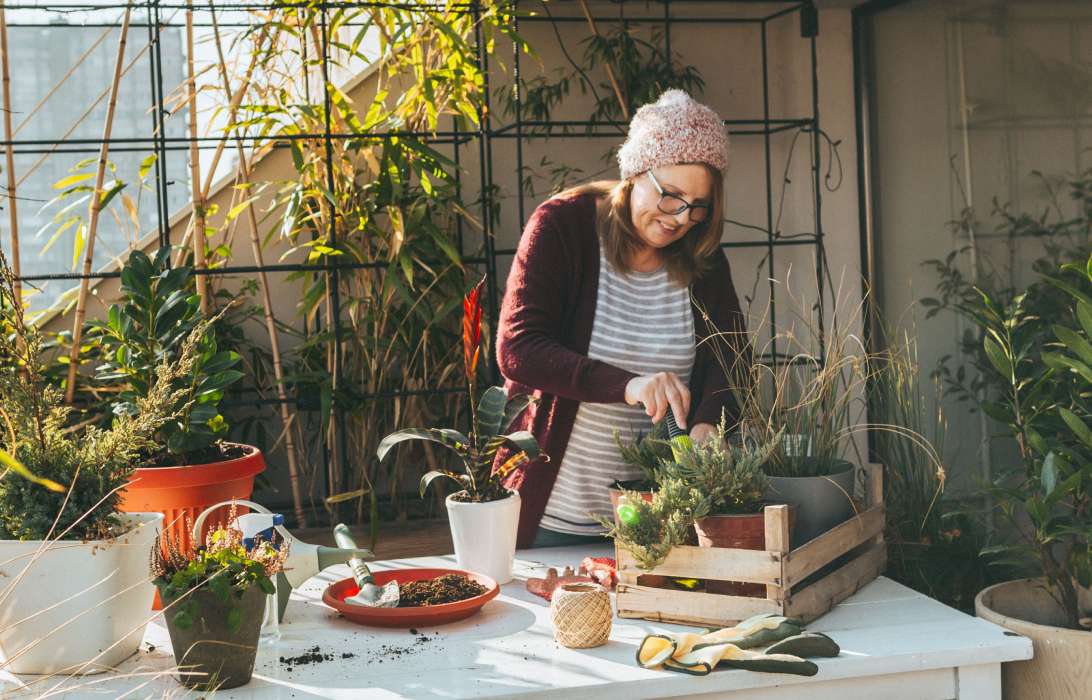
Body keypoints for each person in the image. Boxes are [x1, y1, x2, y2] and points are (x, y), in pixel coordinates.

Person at [495, 90, 747, 549]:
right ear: (635, 172)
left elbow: (732, 360)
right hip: (554, 516)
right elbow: (519, 349)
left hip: (659, 522)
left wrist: (711, 421)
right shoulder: (563, 228)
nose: (681, 218)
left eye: (698, 205)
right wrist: (629, 385)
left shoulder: (704, 260)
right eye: (670, 196)